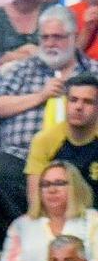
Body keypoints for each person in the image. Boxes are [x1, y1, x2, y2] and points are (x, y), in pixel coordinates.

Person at [0, 14, 94, 232]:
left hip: (81, 154)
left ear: (74, 37)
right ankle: (33, 233)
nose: (50, 43)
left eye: (57, 37)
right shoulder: (22, 70)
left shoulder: (93, 70)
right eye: (45, 37)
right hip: (21, 155)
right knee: (1, 166)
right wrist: (39, 96)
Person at [0, 161, 98, 261]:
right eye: (45, 185)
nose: (52, 190)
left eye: (59, 183)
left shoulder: (93, 219)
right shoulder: (21, 225)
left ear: (75, 186)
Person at [21, 69, 98, 202]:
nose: (79, 107)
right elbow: (35, 199)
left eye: (88, 102)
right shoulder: (44, 141)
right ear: (65, 103)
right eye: (73, 100)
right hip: (58, 218)